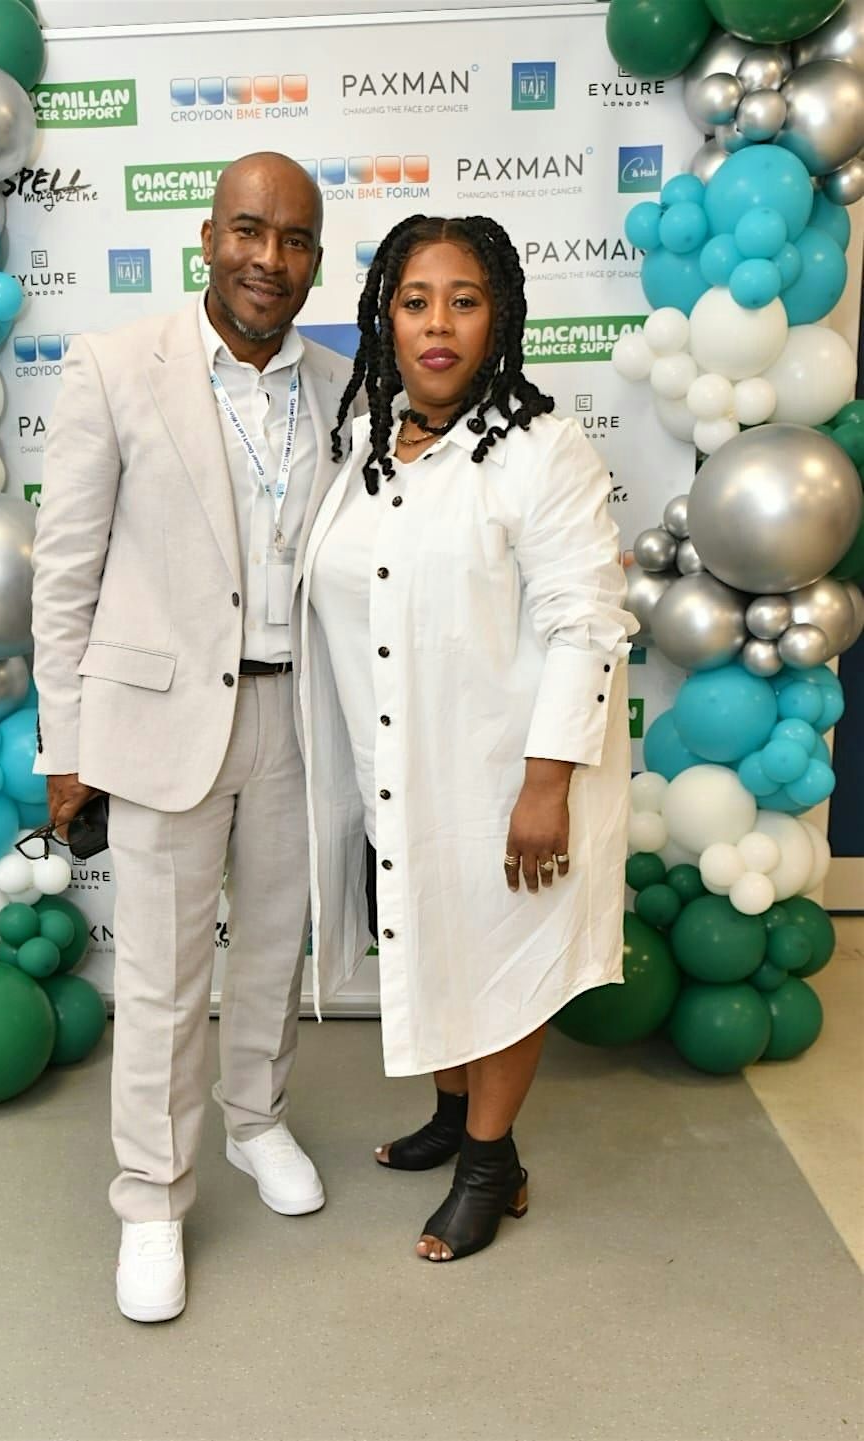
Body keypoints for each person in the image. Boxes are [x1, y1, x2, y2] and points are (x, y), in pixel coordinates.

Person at [31, 152, 355, 1322]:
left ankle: (254, 1122)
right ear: (207, 238)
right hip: (161, 718)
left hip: (295, 713)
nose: (270, 258)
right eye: (249, 231)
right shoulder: (116, 365)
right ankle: (151, 1199)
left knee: (270, 951)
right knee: (163, 979)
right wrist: (64, 743)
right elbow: (65, 570)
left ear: (315, 259)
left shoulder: (341, 386)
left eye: (295, 240)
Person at [297, 214, 636, 1263]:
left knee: (503, 956)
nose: (436, 324)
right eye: (414, 302)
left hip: (502, 769)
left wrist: (545, 783)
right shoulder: (366, 443)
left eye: (463, 301)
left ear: (499, 319)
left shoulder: (541, 450)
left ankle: (491, 1163)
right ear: (384, 320)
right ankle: (454, 1119)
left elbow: (587, 624)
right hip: (393, 767)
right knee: (435, 940)